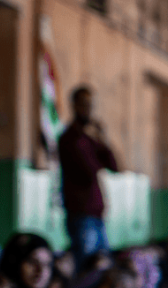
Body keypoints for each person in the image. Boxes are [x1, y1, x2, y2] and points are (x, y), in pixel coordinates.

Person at [58, 86, 118, 273]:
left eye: (91, 105)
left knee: (103, 269)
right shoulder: (69, 139)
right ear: (74, 106)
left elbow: (114, 167)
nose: (89, 110)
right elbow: (89, 171)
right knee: (86, 269)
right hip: (81, 213)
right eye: (84, 105)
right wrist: (96, 148)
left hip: (96, 214)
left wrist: (103, 138)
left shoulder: (89, 139)